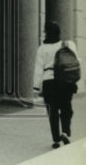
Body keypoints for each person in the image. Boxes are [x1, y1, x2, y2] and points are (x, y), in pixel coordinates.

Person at [33, 20, 80, 148]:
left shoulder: (42, 48)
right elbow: (76, 61)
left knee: (52, 111)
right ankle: (65, 131)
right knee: (66, 108)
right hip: (65, 81)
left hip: (49, 82)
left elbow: (38, 69)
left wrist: (36, 87)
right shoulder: (68, 44)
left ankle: (55, 140)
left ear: (46, 33)